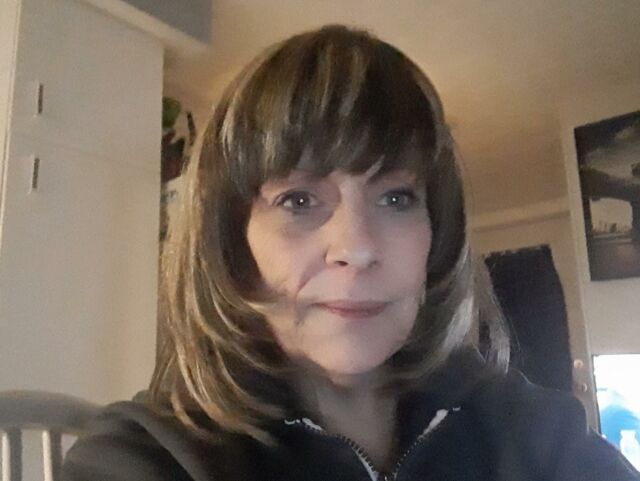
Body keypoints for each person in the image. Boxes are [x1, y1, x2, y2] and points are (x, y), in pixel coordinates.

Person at [62, 25, 640, 481]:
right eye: (297, 200)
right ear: (231, 240)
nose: (357, 248)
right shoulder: (147, 458)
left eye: (396, 197)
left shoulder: (531, 430)